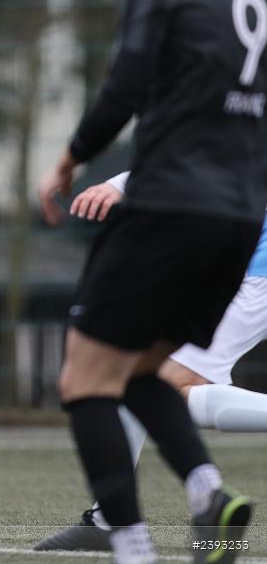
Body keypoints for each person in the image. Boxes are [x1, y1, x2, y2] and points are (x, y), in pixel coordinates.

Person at [37, 0, 267, 562]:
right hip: (239, 222)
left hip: (171, 213)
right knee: (143, 371)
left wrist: (71, 158)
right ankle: (207, 496)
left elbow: (127, 82)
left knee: (86, 379)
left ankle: (128, 543)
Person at [36, 174, 267, 552]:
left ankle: (111, 522)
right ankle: (108, 518)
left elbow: (197, 151)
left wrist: (116, 182)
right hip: (242, 263)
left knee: (151, 381)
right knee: (141, 377)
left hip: (256, 272)